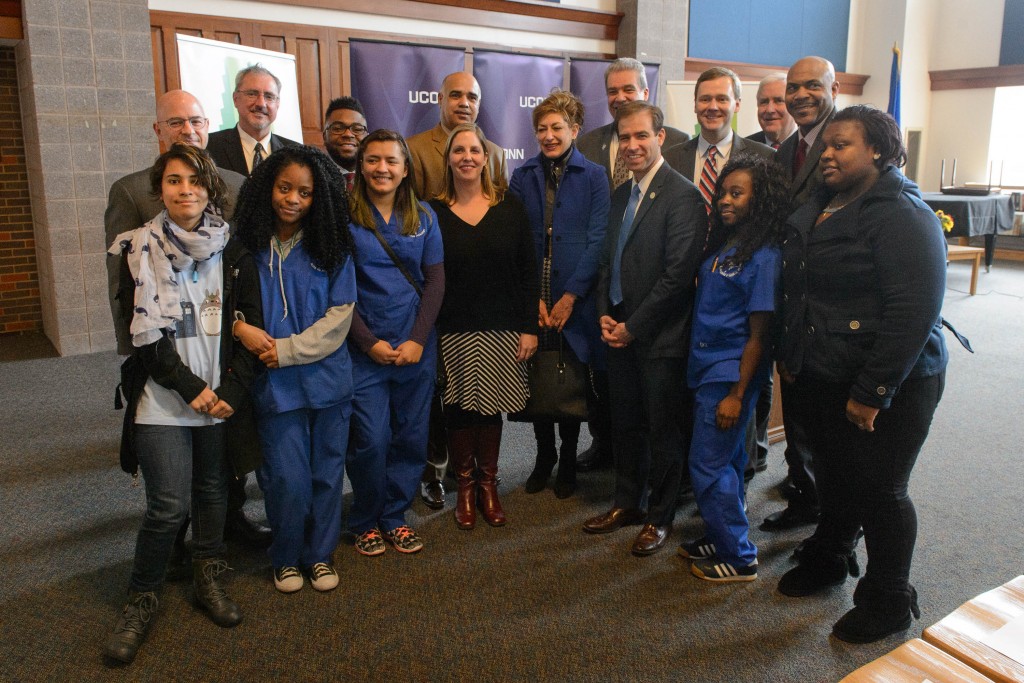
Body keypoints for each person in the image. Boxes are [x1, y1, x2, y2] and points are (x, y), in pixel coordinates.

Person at [775, 105, 948, 644]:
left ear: (878, 149)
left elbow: (913, 312)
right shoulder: (826, 202)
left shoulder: (901, 213)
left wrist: (873, 392)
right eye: (825, 145)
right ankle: (831, 555)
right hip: (826, 369)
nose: (827, 153)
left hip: (893, 379)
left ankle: (890, 597)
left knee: (881, 489)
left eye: (842, 144)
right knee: (836, 475)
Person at [104, 143, 259, 663]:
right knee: (170, 505)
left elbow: (249, 331)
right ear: (160, 189)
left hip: (218, 400)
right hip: (166, 401)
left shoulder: (233, 251)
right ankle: (141, 596)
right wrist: (193, 390)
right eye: (173, 181)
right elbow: (145, 339)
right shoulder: (139, 249)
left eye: (194, 180)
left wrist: (229, 394)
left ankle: (207, 576)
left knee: (214, 492)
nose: (184, 189)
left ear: (210, 187)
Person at [104, 89, 270, 555]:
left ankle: (228, 521)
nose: (188, 130)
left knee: (222, 461)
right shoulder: (131, 189)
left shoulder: (236, 183)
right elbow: (121, 278)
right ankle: (174, 540)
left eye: (196, 121)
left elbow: (244, 265)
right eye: (176, 123)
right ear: (159, 131)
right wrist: (132, 345)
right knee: (171, 487)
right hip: (161, 339)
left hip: (219, 332)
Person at [582, 101, 706, 557]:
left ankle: (660, 517)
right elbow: (605, 263)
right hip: (618, 332)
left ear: (661, 138)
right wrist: (604, 315)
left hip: (659, 339)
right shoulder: (620, 196)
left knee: (663, 430)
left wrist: (632, 327)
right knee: (626, 424)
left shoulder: (684, 196)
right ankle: (625, 504)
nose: (632, 145)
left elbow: (677, 278)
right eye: (625, 138)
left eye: (641, 136)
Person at [232, 146, 357, 593]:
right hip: (274, 388)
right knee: (286, 478)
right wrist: (237, 327)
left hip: (328, 383)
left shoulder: (333, 246)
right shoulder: (245, 247)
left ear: (318, 197)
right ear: (268, 188)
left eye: (305, 192)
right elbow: (225, 304)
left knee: (326, 474)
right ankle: (285, 556)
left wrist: (287, 350)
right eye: (285, 188)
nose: (293, 200)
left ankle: (319, 556)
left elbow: (340, 317)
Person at [574, 57, 690, 473]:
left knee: (660, 419)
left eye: (629, 89)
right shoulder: (587, 145)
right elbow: (599, 242)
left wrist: (634, 322)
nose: (620, 97)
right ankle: (616, 471)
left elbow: (677, 269)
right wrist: (605, 309)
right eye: (612, 91)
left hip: (657, 314)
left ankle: (658, 502)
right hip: (609, 292)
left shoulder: (678, 150)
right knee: (614, 402)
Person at [677, 154, 786, 583]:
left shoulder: (764, 257)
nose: (725, 200)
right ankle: (720, 535)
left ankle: (739, 556)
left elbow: (759, 336)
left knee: (707, 464)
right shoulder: (730, 244)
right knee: (729, 458)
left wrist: (738, 395)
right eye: (723, 192)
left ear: (759, 200)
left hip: (729, 375)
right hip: (706, 366)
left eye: (736, 193)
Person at [406, 71, 509, 508]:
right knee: (438, 393)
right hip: (433, 287)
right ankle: (434, 471)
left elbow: (499, 216)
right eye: (455, 95)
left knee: (482, 392)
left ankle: (478, 479)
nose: (463, 102)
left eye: (472, 96)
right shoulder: (412, 149)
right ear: (440, 99)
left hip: (484, 291)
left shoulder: (497, 153)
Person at [429, 123, 538, 529]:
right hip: (451, 328)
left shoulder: (509, 208)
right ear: (449, 159)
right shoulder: (432, 211)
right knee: (457, 408)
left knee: (490, 409)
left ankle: (488, 485)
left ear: (486, 157)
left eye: (474, 150)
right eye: (459, 150)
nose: (467, 157)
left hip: (502, 327)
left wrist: (529, 327)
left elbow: (528, 272)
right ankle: (465, 487)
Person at [345, 130, 444, 556]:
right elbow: (338, 291)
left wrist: (418, 340)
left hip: (414, 346)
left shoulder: (423, 217)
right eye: (372, 160)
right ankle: (366, 518)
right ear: (360, 166)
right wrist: (368, 343)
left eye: (390, 161)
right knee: (369, 437)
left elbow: (436, 280)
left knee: (410, 435)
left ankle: (394, 516)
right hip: (363, 348)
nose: (381, 169)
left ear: (405, 169)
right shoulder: (345, 219)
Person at [509, 90, 609, 498]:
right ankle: (543, 455)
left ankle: (568, 458)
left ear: (574, 129)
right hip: (535, 293)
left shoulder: (596, 175)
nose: (548, 135)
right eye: (542, 129)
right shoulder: (523, 175)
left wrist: (571, 297)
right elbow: (515, 240)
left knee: (567, 380)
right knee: (537, 380)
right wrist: (533, 297)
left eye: (557, 128)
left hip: (575, 296)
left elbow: (599, 239)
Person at [761, 55, 841, 533]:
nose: (800, 95)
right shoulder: (782, 150)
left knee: (828, 427)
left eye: (813, 86)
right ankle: (803, 494)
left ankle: (832, 523)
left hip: (828, 305)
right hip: (789, 302)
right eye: (794, 87)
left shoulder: (846, 141)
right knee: (796, 411)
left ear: (834, 89)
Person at [663, 67, 774, 211]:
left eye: (722, 99)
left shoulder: (763, 158)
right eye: (705, 99)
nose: (713, 107)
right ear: (695, 105)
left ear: (737, 105)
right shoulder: (670, 158)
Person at [206, 64, 300, 177]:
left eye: (269, 96)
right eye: (252, 94)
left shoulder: (296, 153)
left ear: (278, 104)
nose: (261, 103)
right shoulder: (209, 147)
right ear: (235, 99)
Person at [322, 96, 368, 189]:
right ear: (325, 136)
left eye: (357, 129)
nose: (348, 134)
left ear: (367, 137)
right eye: (338, 128)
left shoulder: (377, 176)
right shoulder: (312, 175)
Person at [747, 73, 797, 149]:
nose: (770, 110)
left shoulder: (807, 146)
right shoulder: (743, 148)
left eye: (779, 101)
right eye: (764, 102)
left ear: (795, 105)